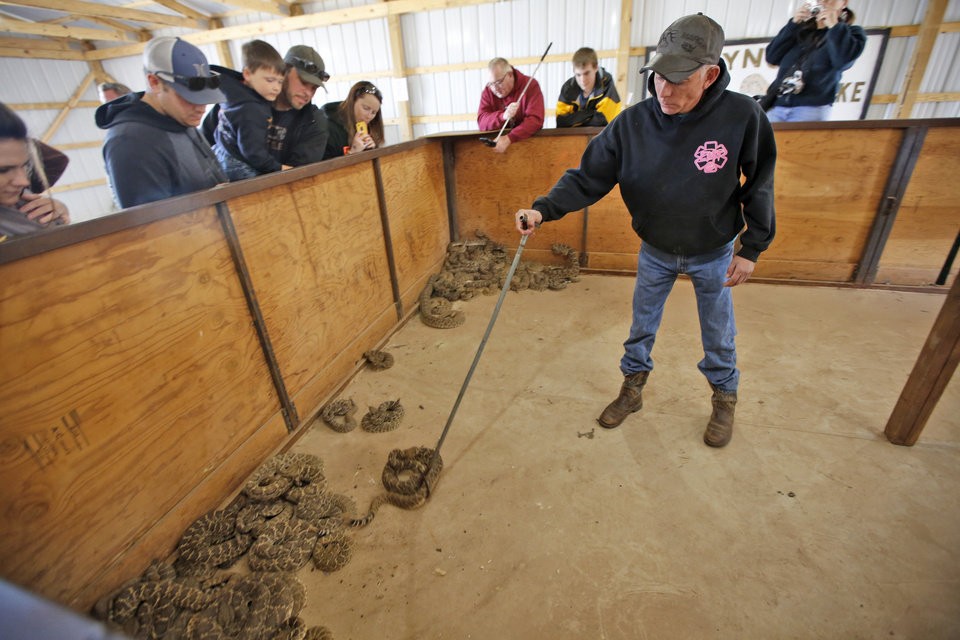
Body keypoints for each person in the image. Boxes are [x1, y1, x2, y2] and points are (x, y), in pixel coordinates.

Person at [514, 13, 776, 448]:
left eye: (679, 80)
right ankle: (631, 389)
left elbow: (760, 182)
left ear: (710, 75)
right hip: (655, 248)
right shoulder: (633, 123)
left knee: (718, 331)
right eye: (658, 77)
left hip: (713, 249)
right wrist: (544, 210)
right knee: (641, 326)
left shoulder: (742, 116)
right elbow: (588, 176)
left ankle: (724, 398)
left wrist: (752, 247)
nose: (664, 90)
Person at [96, 36, 226, 209]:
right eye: (189, 96)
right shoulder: (130, 143)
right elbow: (152, 228)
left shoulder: (181, 118)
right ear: (155, 82)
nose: (201, 107)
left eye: (204, 97)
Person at [204, 45, 331, 170]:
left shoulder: (314, 122)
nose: (308, 93)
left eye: (314, 88)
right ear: (284, 71)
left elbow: (297, 175)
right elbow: (205, 142)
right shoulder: (238, 100)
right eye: (303, 82)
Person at [763, 0, 866, 122]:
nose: (824, 1)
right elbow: (772, 57)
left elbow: (843, 60)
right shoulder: (800, 30)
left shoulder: (852, 33)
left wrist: (835, 26)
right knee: (763, 141)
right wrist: (794, 24)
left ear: (844, 3)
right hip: (778, 105)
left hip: (812, 107)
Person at [211, 39, 287, 181]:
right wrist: (278, 168)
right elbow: (253, 152)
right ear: (247, 74)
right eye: (270, 80)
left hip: (219, 154)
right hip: (237, 164)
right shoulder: (251, 109)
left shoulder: (233, 92)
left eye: (280, 81)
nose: (276, 87)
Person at [0, 102, 70, 241]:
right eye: (4, 170)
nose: (24, 181)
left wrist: (59, 214)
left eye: (25, 166)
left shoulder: (24, 204)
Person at [477, 57, 544, 154]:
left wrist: (509, 138)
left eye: (498, 82)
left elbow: (535, 120)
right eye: (491, 84)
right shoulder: (488, 91)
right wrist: (502, 116)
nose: (495, 88)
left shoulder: (530, 85)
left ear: (510, 75)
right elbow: (482, 122)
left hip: (528, 149)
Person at [556, 47, 623, 128]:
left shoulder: (606, 85)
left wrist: (574, 118)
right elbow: (561, 121)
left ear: (596, 68)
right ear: (574, 71)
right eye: (578, 75)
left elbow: (605, 120)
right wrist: (591, 113)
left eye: (586, 73)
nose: (582, 80)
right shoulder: (568, 88)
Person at [322, 81, 383, 159]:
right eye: (366, 108)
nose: (369, 116)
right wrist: (353, 152)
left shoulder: (371, 127)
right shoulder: (328, 128)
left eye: (374, 112)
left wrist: (372, 152)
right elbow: (324, 167)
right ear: (352, 101)